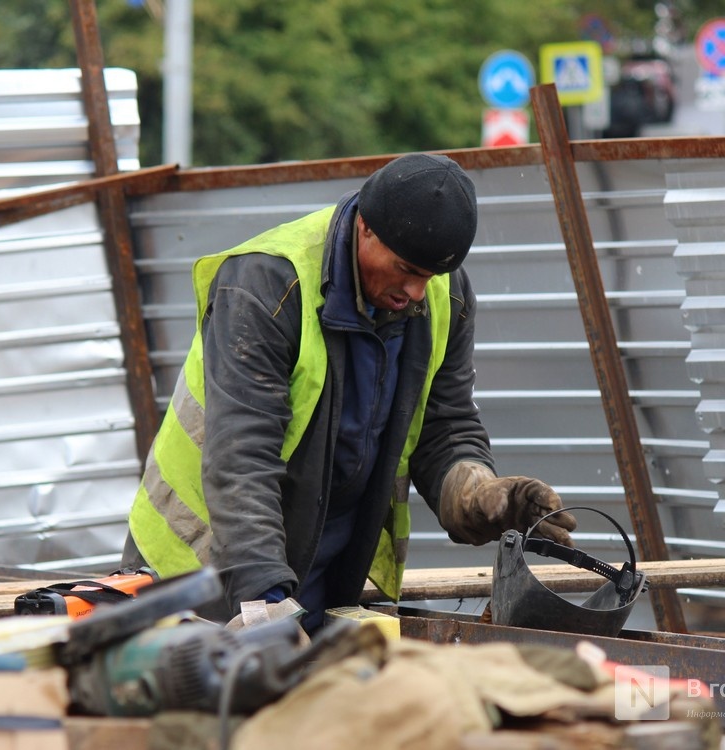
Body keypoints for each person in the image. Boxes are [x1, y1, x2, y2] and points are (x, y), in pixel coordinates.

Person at [122, 152, 576, 632]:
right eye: (405, 269)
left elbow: (444, 427)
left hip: (320, 573)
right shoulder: (266, 286)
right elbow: (242, 461)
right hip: (197, 575)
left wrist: (481, 495)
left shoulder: (445, 294)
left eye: (428, 277)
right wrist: (267, 608)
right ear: (365, 227)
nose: (415, 293)